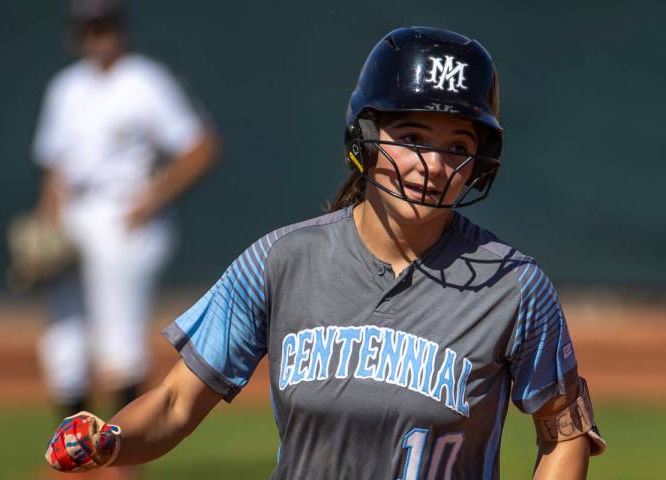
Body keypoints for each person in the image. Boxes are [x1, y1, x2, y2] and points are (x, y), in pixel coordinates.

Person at [44, 27, 606, 479]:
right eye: (411, 139)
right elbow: (172, 404)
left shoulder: (513, 286)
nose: (433, 166)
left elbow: (565, 434)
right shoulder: (282, 261)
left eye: (458, 147)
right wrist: (111, 441)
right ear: (365, 136)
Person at [32, 0, 219, 423]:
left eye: (106, 26)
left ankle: (120, 457)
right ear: (76, 34)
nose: (100, 36)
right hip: (73, 215)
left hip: (123, 214)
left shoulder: (145, 81)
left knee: (119, 340)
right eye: (91, 28)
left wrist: (151, 199)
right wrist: (47, 216)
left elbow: (200, 146)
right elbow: (55, 163)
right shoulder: (66, 87)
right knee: (65, 340)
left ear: (120, 29)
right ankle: (76, 452)